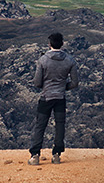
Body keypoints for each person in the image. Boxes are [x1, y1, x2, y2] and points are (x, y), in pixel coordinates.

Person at [28, 32, 77, 164]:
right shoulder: (70, 60)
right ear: (62, 44)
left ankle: (35, 156)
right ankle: (56, 154)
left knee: (40, 126)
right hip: (60, 97)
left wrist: (47, 86)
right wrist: (63, 87)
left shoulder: (43, 60)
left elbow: (37, 83)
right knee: (60, 125)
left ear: (49, 44)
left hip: (46, 98)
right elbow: (74, 83)